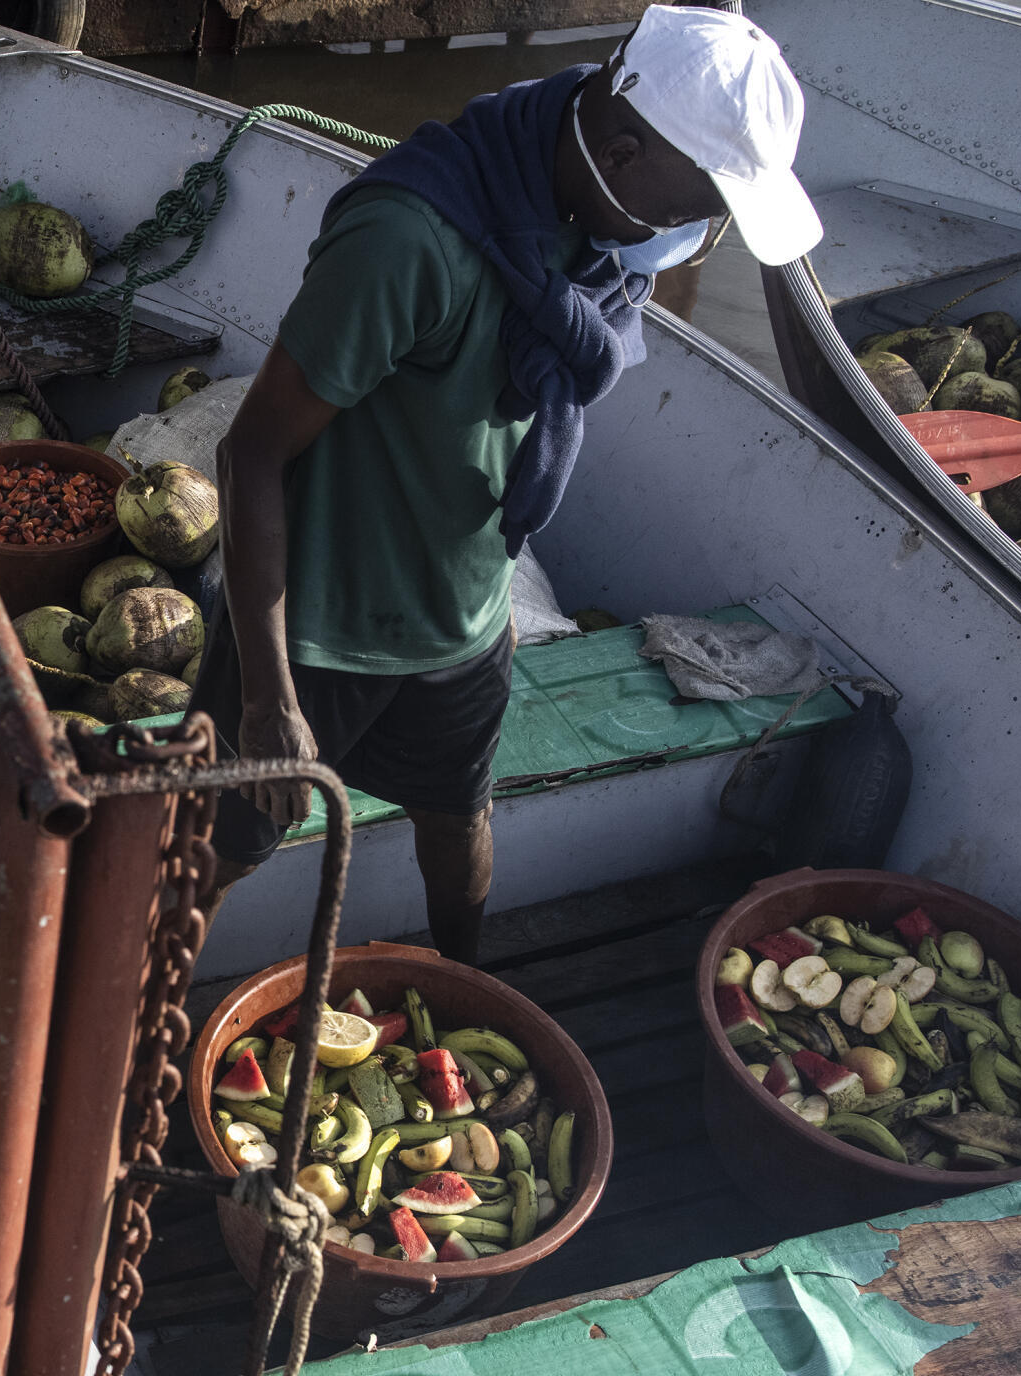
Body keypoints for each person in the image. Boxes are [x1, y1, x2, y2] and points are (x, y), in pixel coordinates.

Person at [195, 5, 821, 964]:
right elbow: (251, 458)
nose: (705, 238)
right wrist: (266, 698)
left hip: (464, 618)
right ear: (620, 153)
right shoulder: (409, 241)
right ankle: (118, 1038)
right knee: (214, 852)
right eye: (704, 208)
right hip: (317, 632)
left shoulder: (587, 235)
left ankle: (464, 985)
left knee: (459, 820)